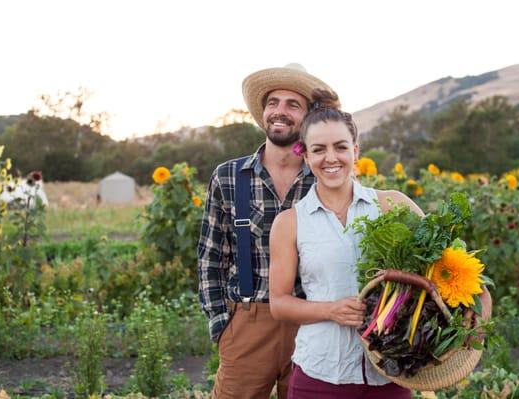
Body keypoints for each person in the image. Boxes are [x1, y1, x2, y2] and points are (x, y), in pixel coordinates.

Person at [268, 89, 492, 399]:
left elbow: (447, 267)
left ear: (356, 151)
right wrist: (330, 310)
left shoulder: (392, 205)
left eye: (340, 147)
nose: (330, 158)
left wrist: (472, 321)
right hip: (319, 376)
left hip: (390, 376)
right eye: (318, 149)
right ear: (305, 155)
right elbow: (278, 303)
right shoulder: (290, 222)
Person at [198, 64, 337, 399]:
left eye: (293, 104)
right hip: (248, 322)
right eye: (273, 102)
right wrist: (222, 327)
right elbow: (210, 259)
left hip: (313, 324)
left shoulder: (326, 179)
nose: (279, 111)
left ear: (309, 117)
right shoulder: (229, 177)